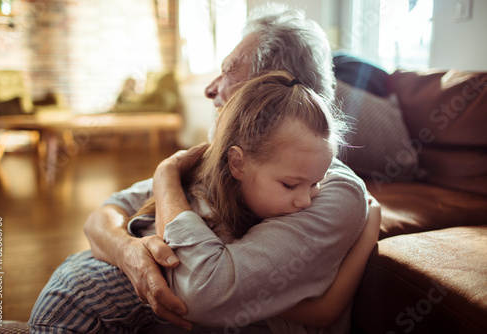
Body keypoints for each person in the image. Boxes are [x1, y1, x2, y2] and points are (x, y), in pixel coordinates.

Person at [29, 3, 376, 333]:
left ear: (266, 91)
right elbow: (102, 216)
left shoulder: (329, 191)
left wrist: (166, 175)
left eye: (228, 71)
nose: (211, 89)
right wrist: (128, 253)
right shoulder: (223, 160)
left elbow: (201, 292)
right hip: (72, 299)